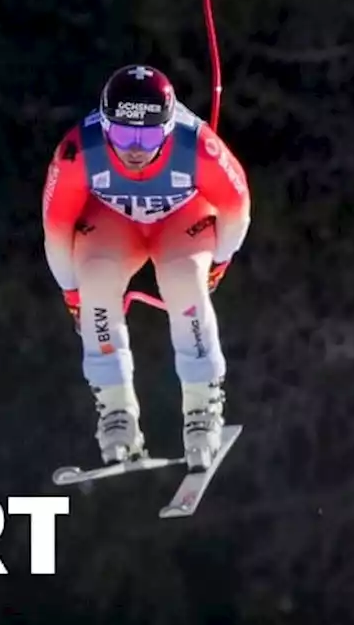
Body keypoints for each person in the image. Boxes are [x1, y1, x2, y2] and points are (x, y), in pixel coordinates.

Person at [40, 64, 252, 471]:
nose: (134, 148)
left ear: (169, 129)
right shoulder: (78, 152)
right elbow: (56, 230)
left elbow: (237, 209)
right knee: (96, 285)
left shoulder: (198, 148)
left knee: (183, 281)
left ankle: (202, 409)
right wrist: (73, 292)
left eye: (149, 136)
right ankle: (116, 412)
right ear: (104, 126)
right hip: (113, 223)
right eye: (122, 134)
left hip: (180, 220)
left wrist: (219, 260)